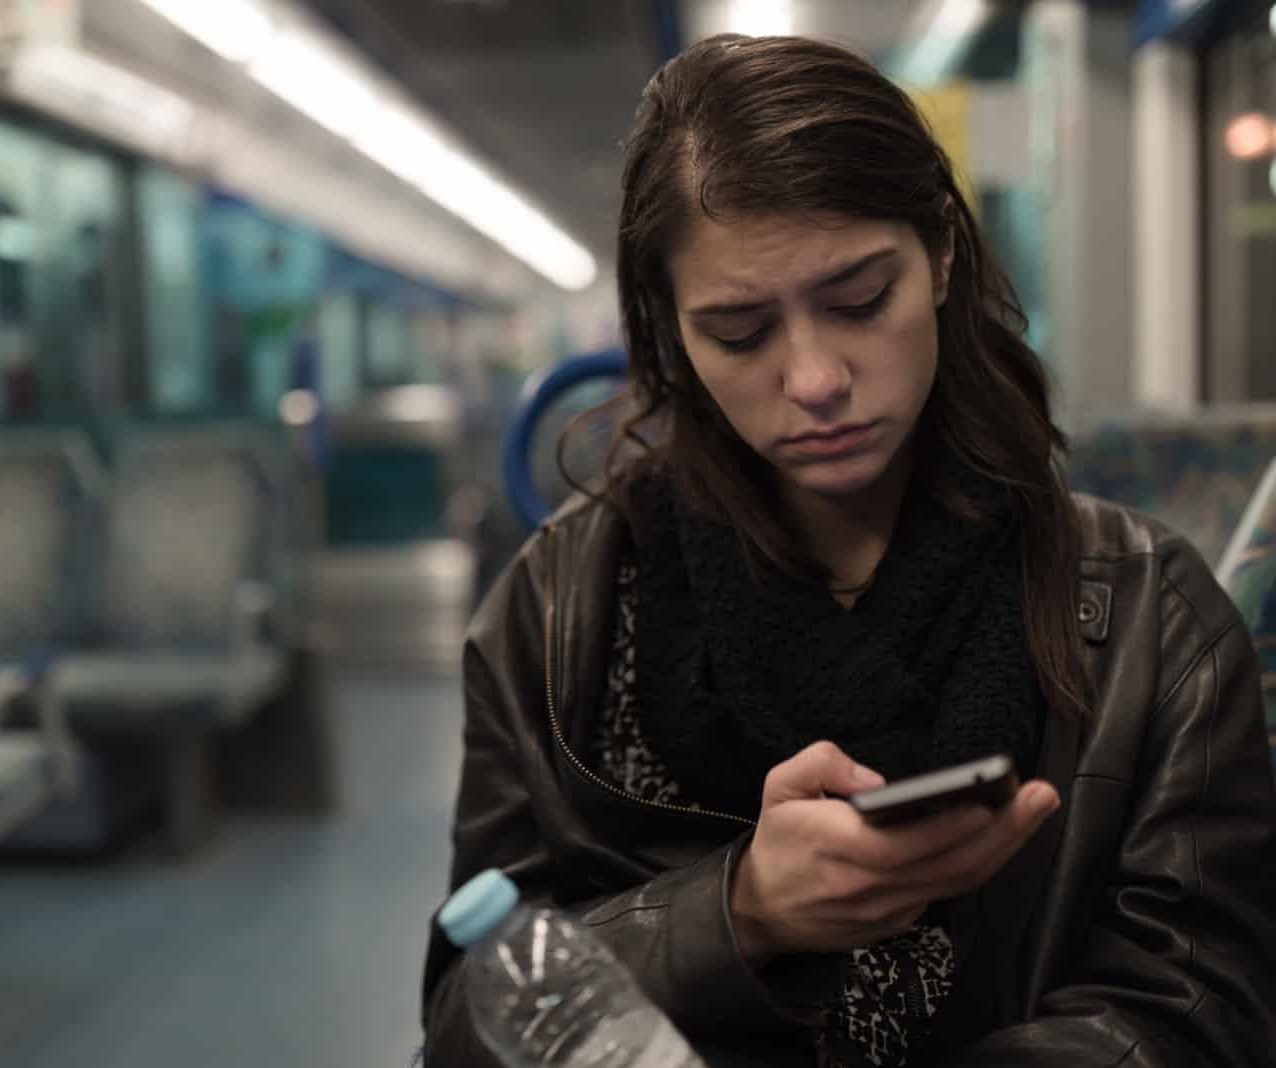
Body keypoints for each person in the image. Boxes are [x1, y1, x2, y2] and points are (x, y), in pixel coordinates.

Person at [420, 33, 1276, 1068]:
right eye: (739, 333)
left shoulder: (1150, 620)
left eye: (861, 300)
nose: (816, 379)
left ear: (942, 255)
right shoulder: (556, 613)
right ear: (672, 332)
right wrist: (739, 913)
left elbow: (1200, 1010)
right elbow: (470, 1020)